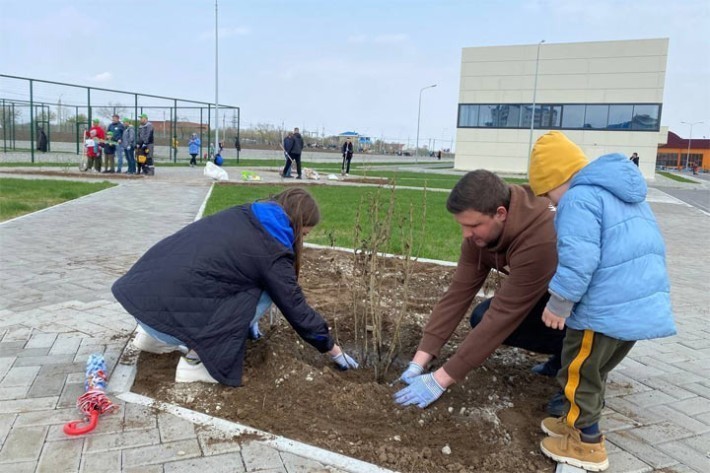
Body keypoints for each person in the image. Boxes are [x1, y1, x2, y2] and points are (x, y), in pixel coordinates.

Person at [528, 131, 675, 471]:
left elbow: (579, 258)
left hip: (602, 311)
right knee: (596, 371)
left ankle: (586, 444)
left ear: (559, 179)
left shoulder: (578, 199)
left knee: (579, 374)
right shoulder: (623, 195)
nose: (552, 203)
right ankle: (572, 422)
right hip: (637, 308)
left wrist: (559, 303)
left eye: (549, 195)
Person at [112, 188, 359, 385]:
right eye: (303, 234)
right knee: (263, 291)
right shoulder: (272, 249)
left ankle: (150, 340)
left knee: (229, 279)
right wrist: (333, 349)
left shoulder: (245, 214)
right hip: (165, 319)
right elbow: (295, 308)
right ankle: (195, 364)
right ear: (296, 225)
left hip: (143, 303)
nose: (301, 240)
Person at [393, 170, 564, 411]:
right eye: (462, 225)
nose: (466, 235)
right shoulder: (480, 237)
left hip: (602, 310)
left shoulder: (540, 238)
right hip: (551, 294)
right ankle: (566, 353)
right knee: (480, 316)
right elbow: (456, 295)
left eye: (473, 225)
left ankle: (580, 372)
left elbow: (504, 315)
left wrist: (441, 379)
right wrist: (420, 361)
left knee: (499, 318)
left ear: (500, 214)